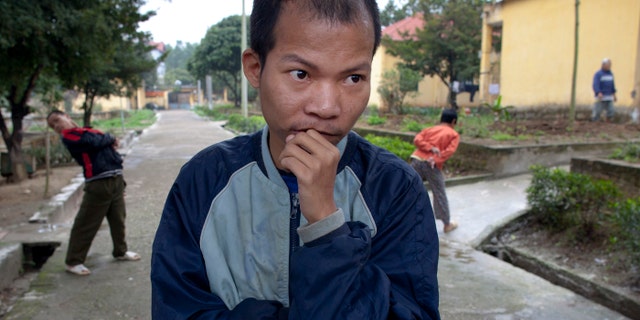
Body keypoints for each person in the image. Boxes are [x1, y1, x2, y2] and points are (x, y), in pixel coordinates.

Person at [150, 0, 440, 319]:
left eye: (353, 78)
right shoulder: (204, 181)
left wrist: (328, 229)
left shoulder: (395, 188)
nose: (327, 107)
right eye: (301, 74)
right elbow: (177, 309)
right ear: (255, 68)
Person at [47, 110, 140, 276]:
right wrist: (109, 138)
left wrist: (107, 140)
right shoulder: (70, 137)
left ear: (66, 116)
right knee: (86, 223)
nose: (56, 125)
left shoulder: (85, 131)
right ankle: (73, 261)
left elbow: (105, 147)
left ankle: (120, 251)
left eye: (56, 119)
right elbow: (94, 142)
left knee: (118, 218)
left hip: (115, 178)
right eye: (52, 125)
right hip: (98, 183)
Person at [410, 109, 460, 233]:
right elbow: (449, 151)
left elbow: (417, 139)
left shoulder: (430, 129)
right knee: (439, 193)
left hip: (416, 160)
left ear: (441, 119)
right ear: (454, 121)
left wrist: (430, 147)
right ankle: (447, 224)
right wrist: (436, 157)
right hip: (432, 165)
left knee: (407, 189)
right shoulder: (453, 134)